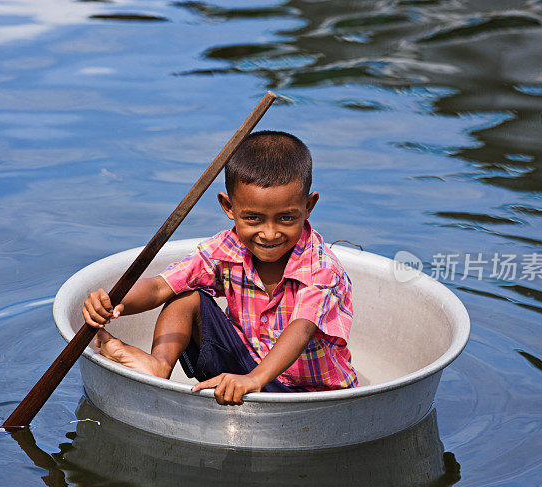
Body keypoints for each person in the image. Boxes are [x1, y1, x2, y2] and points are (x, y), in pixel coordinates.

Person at [82, 131, 358, 406]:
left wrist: (254, 379)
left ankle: (249, 381)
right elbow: (159, 287)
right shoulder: (226, 249)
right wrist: (113, 301)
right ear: (228, 206)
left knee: (270, 365)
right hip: (245, 371)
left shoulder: (321, 268)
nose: (270, 233)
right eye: (253, 218)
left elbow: (301, 329)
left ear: (308, 206)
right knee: (186, 296)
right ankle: (158, 365)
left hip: (313, 396)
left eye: (286, 218)